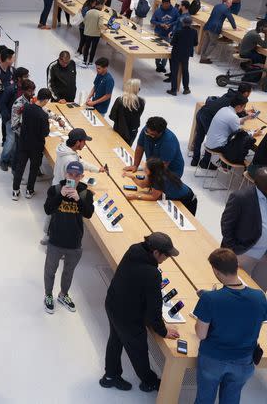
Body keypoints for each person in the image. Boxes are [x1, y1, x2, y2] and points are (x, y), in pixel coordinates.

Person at [101, 233, 181, 392]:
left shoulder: (135, 249)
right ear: (156, 252)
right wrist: (162, 331)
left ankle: (110, 376)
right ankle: (149, 382)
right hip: (128, 316)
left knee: (115, 340)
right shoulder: (152, 274)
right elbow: (154, 308)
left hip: (113, 302)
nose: (167, 258)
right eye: (166, 255)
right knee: (138, 349)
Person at [193, 248, 267, 403]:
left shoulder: (210, 299)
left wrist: (208, 301)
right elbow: (254, 322)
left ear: (216, 271)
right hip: (244, 360)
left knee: (204, 399)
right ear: (236, 265)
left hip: (213, 359)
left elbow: (201, 334)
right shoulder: (259, 297)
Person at [43, 161, 94, 314]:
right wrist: (60, 196)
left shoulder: (86, 194)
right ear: (65, 174)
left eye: (76, 175)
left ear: (81, 176)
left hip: (74, 242)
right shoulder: (55, 189)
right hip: (55, 240)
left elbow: (88, 214)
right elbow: (47, 209)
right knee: (50, 270)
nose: (73, 177)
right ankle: (48, 295)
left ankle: (63, 294)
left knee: (69, 271)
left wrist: (79, 199)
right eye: (70, 174)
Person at [220, 168, 267, 289]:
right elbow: (227, 225)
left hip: (265, 258)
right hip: (244, 252)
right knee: (234, 288)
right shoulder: (241, 197)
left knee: (259, 291)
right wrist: (233, 251)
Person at [191, 83, 253, 166]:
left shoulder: (231, 93)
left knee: (199, 136)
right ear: (246, 93)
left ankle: (195, 160)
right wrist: (244, 114)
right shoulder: (237, 99)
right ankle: (205, 162)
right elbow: (234, 117)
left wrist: (244, 114)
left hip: (203, 111)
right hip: (209, 116)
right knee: (212, 136)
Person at [12, 88, 51, 200]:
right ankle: (29, 191)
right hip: (36, 146)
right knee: (33, 169)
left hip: (24, 143)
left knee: (20, 167)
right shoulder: (43, 116)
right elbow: (45, 133)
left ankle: (15, 191)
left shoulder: (27, 108)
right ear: (46, 100)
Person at [122, 156, 197, 214]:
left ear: (153, 171)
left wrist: (136, 196)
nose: (144, 169)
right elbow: (143, 184)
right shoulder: (155, 174)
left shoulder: (160, 179)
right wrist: (133, 177)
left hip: (188, 201)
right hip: (181, 197)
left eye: (146, 168)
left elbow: (153, 197)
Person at [201, 93, 257, 166]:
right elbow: (241, 135)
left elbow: (234, 121)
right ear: (238, 106)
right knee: (242, 141)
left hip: (209, 141)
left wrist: (246, 118)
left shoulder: (224, 109)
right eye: (244, 107)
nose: (244, 109)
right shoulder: (233, 116)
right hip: (217, 146)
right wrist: (254, 133)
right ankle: (225, 165)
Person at [0, 72, 33, 171]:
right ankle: (4, 160)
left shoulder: (28, 91)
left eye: (28, 76)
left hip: (21, 123)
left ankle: (11, 160)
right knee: (10, 142)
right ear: (19, 78)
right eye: (25, 76)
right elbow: (2, 104)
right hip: (11, 121)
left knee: (15, 145)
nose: (27, 77)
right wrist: (8, 118)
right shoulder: (11, 89)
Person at [199, 0, 237, 64]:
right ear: (228, 3)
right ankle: (204, 58)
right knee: (213, 43)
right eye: (231, 3)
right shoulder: (226, 9)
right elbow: (230, 18)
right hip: (215, 28)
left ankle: (202, 56)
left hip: (208, 25)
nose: (231, 5)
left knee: (206, 42)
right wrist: (234, 27)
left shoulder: (217, 5)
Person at [108, 79, 145, 146]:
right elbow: (138, 115)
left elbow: (112, 116)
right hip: (132, 131)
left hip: (119, 129)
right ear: (137, 89)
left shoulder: (119, 100)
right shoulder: (141, 102)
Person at [166, 16, 197, 96]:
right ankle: (186, 88)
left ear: (183, 23)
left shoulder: (178, 32)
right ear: (191, 23)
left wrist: (171, 38)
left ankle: (174, 90)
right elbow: (195, 43)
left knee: (174, 71)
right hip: (186, 54)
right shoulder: (194, 31)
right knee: (185, 71)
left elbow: (172, 43)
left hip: (176, 53)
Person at [150, 0, 179, 73]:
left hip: (168, 34)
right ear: (162, 3)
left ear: (169, 3)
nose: (166, 5)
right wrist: (161, 24)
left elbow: (178, 20)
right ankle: (158, 65)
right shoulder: (158, 11)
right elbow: (152, 20)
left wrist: (170, 24)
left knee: (166, 51)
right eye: (164, 4)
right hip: (158, 33)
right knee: (157, 50)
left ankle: (163, 66)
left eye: (167, 4)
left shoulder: (175, 11)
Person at [81, 0, 106, 67]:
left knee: (86, 47)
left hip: (87, 32)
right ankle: (90, 62)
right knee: (93, 48)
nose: (103, 7)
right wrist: (105, 28)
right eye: (102, 6)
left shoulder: (88, 12)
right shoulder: (100, 14)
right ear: (99, 5)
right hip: (96, 34)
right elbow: (100, 25)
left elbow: (84, 21)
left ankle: (84, 61)